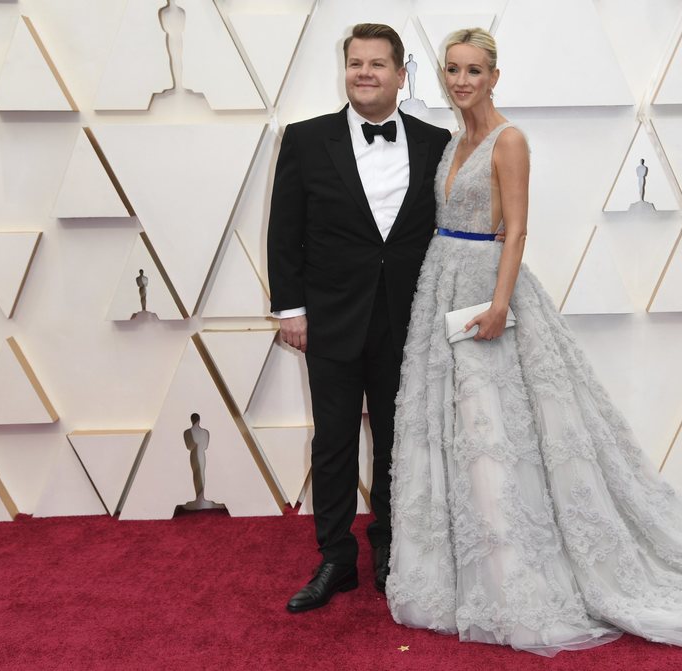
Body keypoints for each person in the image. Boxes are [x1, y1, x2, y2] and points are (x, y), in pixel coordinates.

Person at [386, 28, 682, 655]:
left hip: (486, 290)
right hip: (441, 285)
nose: (461, 81)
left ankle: (516, 571)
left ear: (494, 76)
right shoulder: (455, 140)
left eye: (473, 71)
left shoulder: (508, 140)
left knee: (497, 428)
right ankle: (472, 567)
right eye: (453, 70)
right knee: (457, 428)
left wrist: (499, 304)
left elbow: (516, 231)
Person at [267, 23, 451, 613]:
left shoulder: (437, 141)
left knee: (401, 442)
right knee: (335, 441)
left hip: (409, 319)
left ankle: (393, 552)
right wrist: (290, 309)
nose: (364, 73)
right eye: (355, 63)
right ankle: (336, 559)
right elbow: (284, 232)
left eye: (377, 64)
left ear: (402, 74)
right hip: (330, 319)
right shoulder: (304, 139)